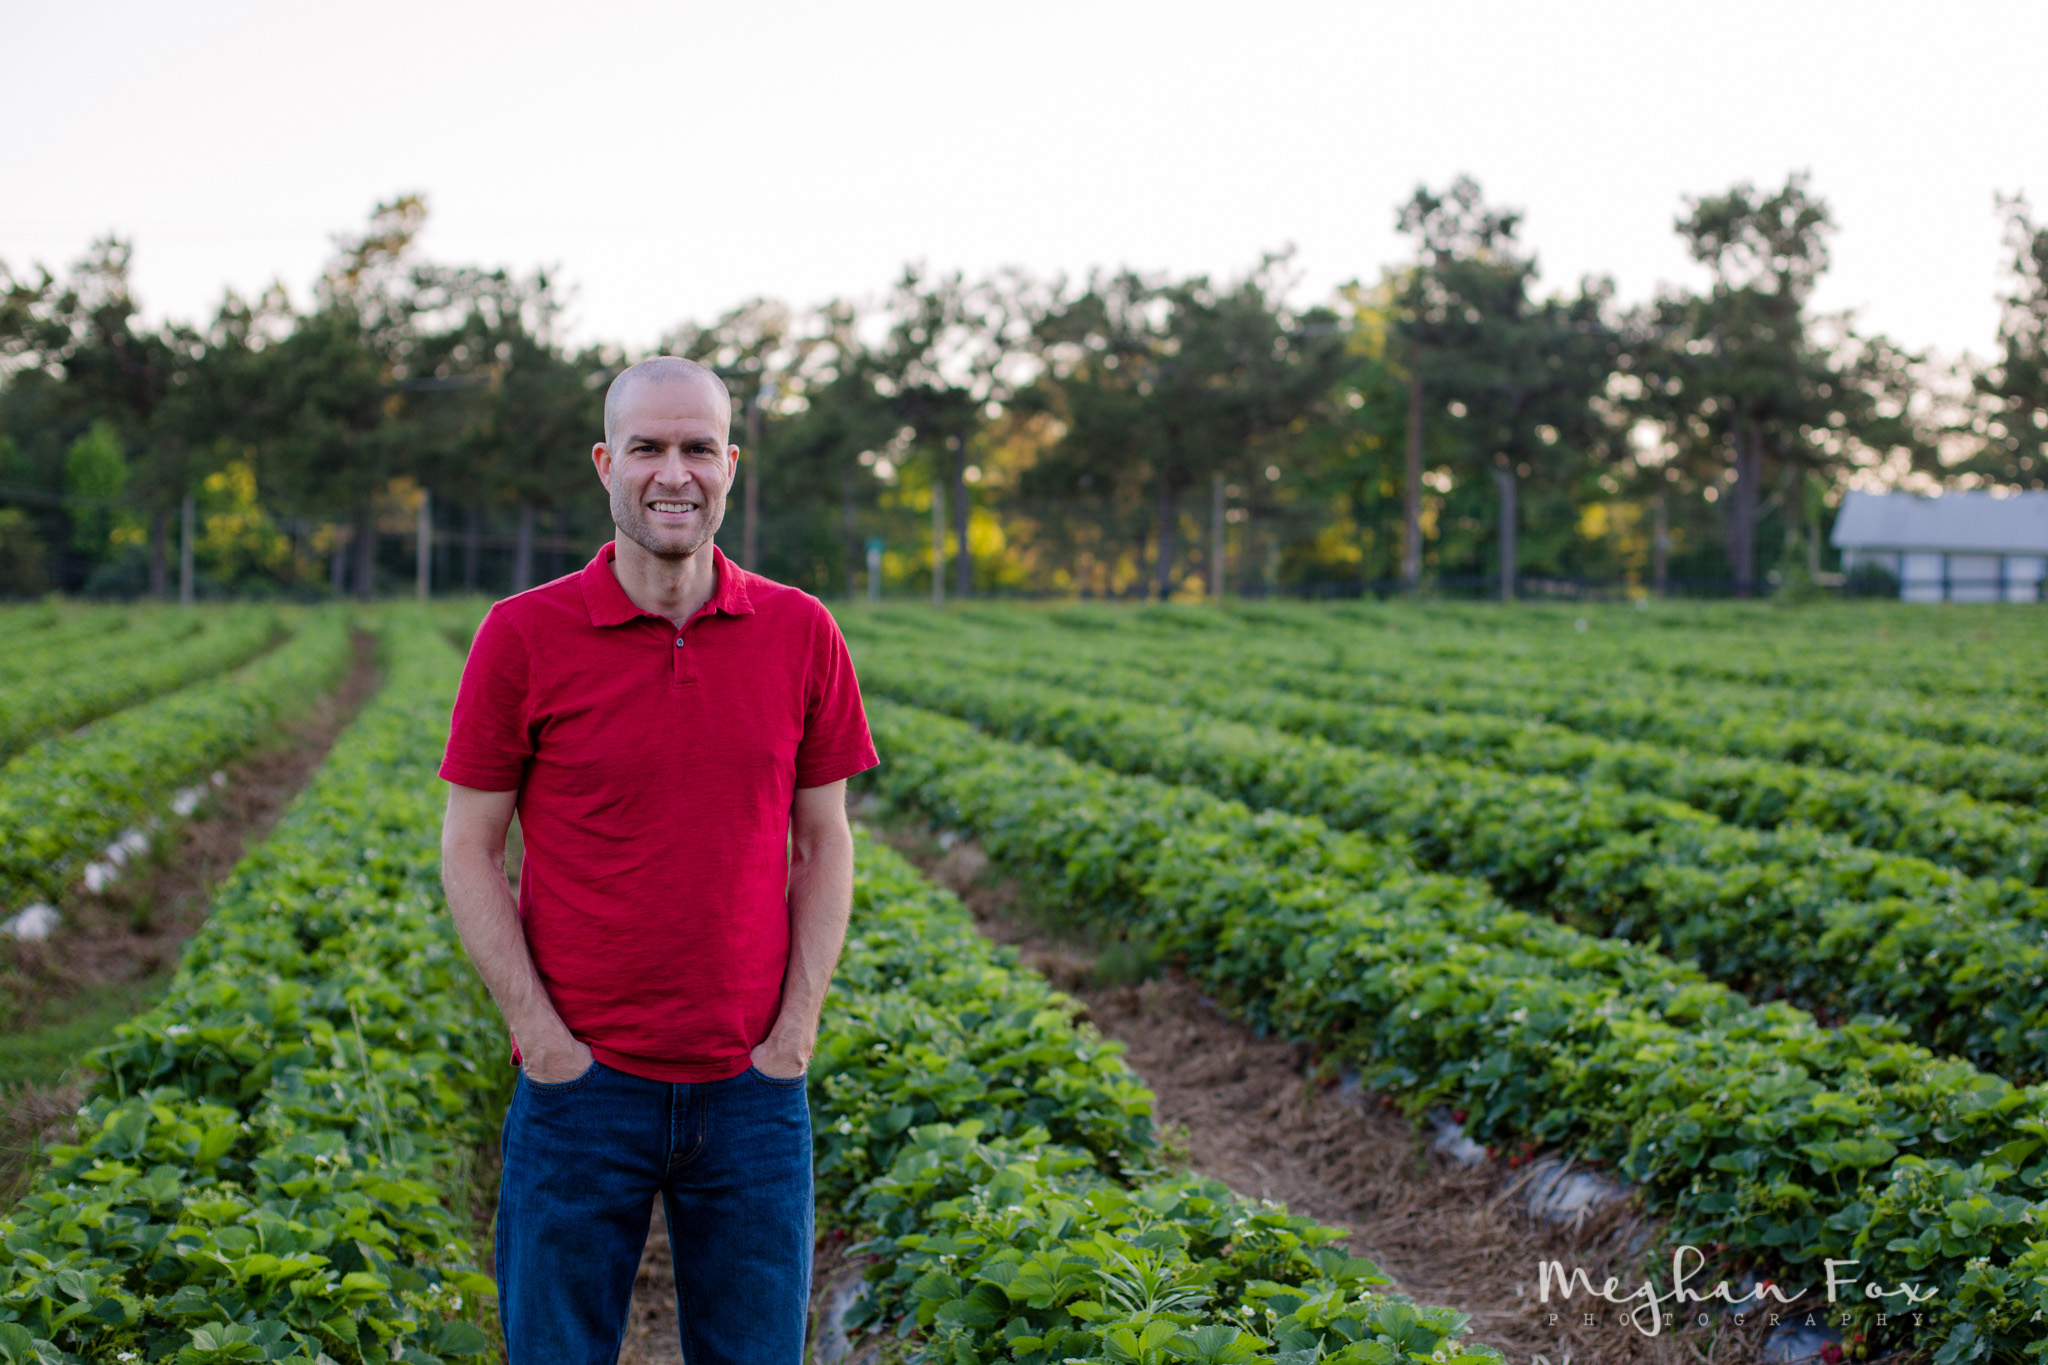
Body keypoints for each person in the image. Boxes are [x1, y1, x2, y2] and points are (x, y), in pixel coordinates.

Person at [438, 356, 876, 1364]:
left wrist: (794, 1036)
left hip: (752, 1093)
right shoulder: (523, 635)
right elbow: (468, 847)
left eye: (695, 449)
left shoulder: (801, 632)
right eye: (646, 448)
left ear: (730, 466)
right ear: (606, 464)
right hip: (580, 1092)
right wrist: (541, 1039)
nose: (672, 473)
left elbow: (824, 840)